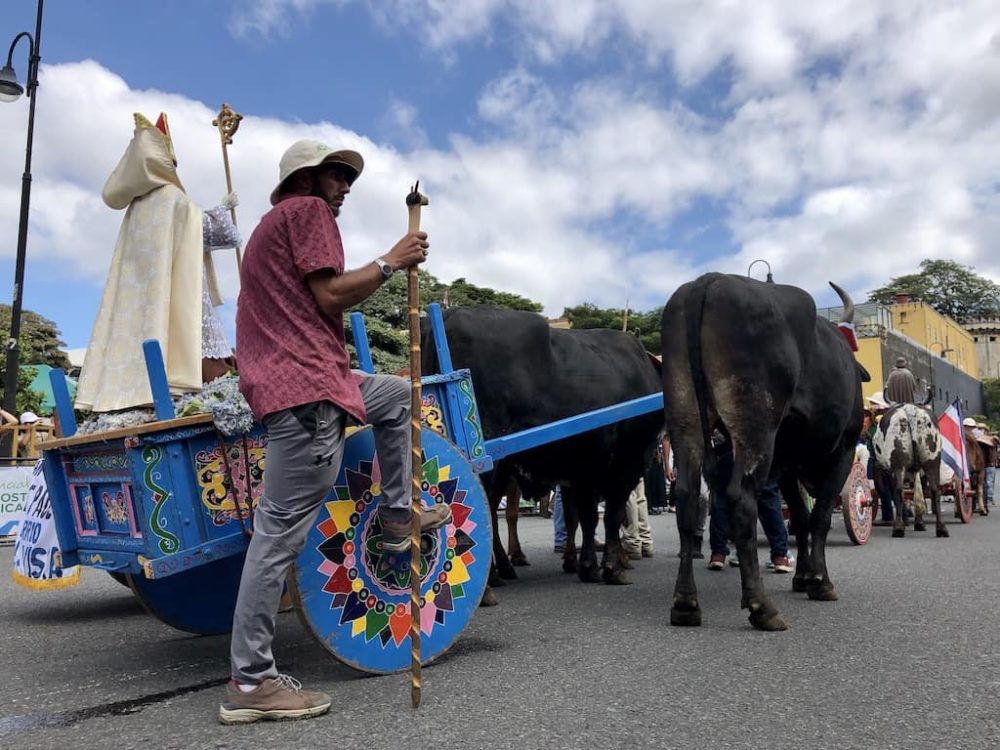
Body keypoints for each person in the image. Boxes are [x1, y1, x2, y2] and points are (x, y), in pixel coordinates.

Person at [222, 139, 452, 725]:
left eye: (348, 176)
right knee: (275, 540)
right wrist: (394, 259)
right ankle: (250, 684)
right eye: (335, 174)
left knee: (398, 393)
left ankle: (399, 512)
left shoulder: (269, 230)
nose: (344, 185)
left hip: (312, 383)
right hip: (309, 395)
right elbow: (330, 295)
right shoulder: (307, 213)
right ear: (306, 177)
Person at [75, 113, 204, 412]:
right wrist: (224, 214)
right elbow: (210, 236)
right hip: (165, 316)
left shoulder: (135, 207)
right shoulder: (175, 199)